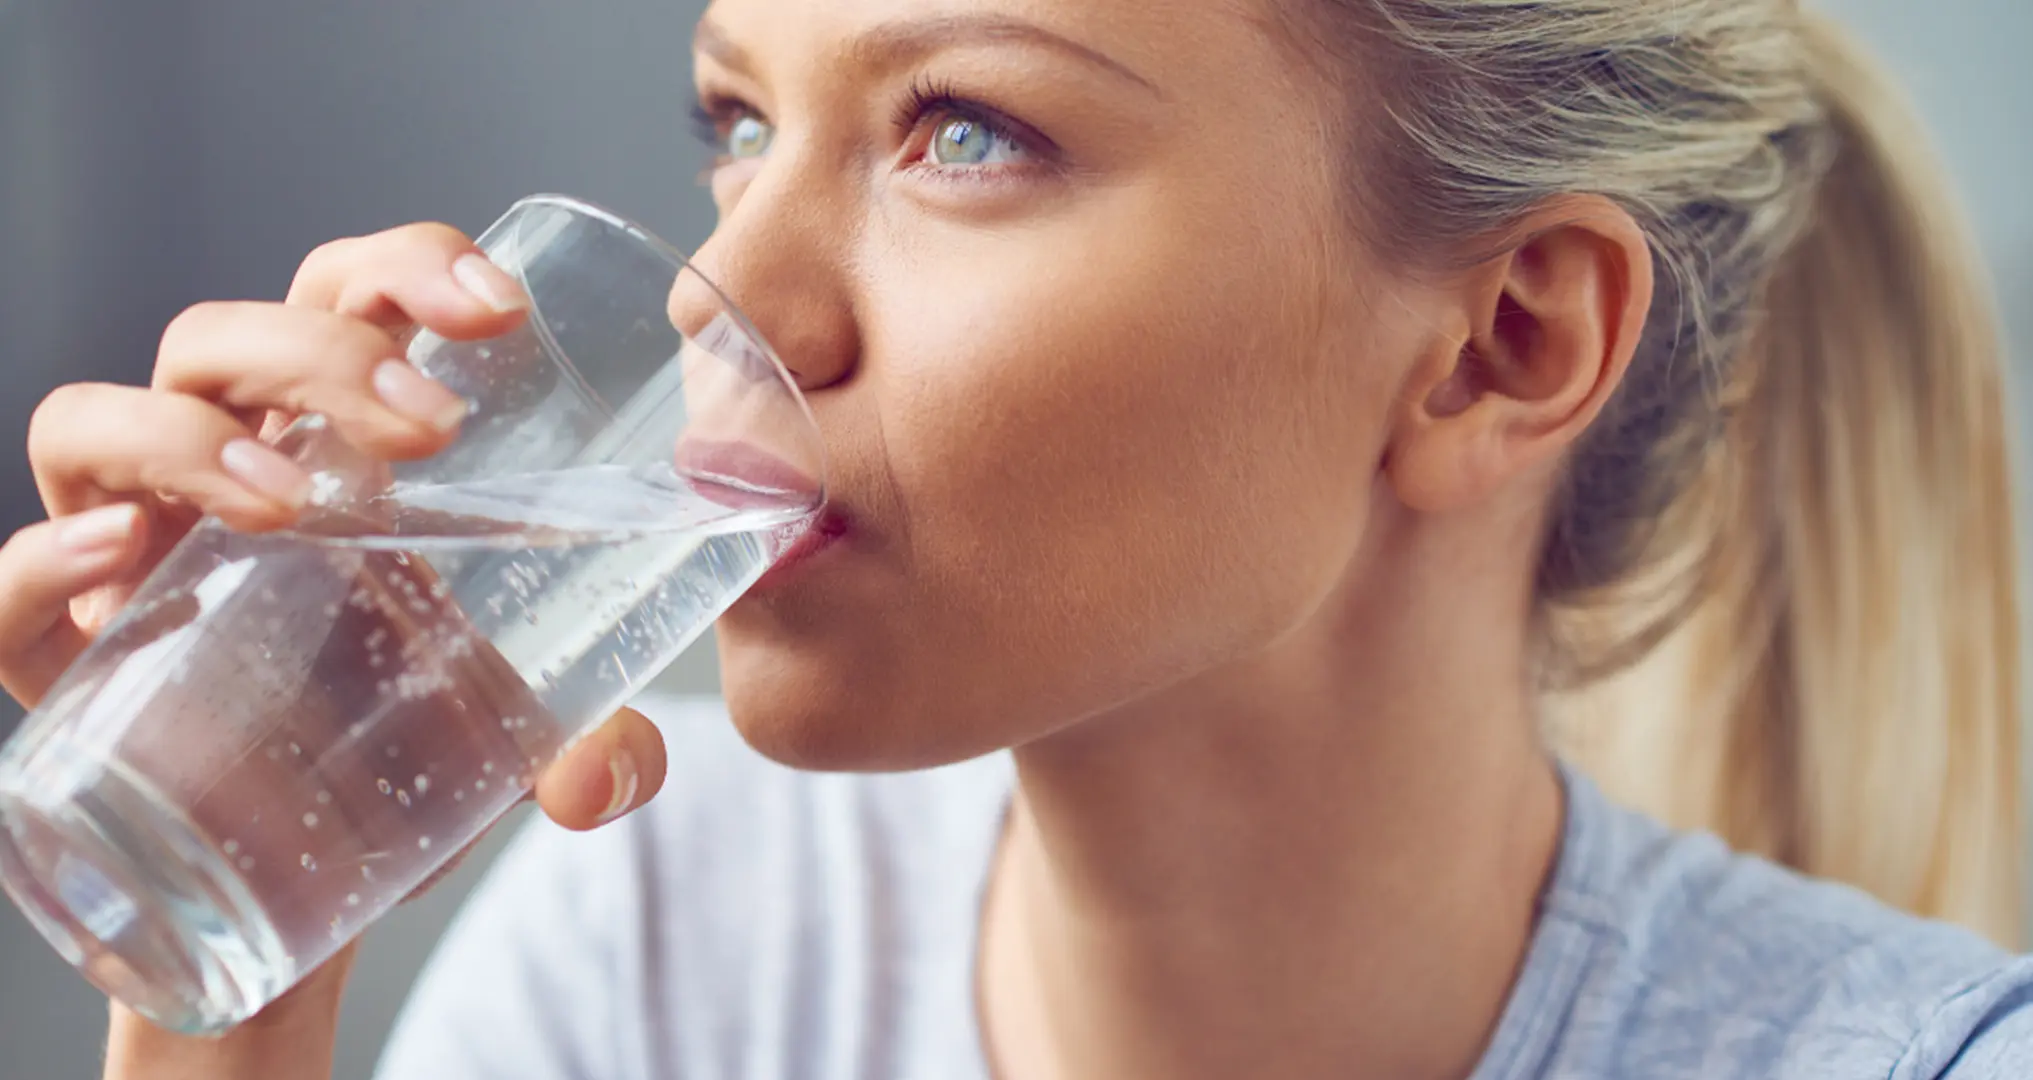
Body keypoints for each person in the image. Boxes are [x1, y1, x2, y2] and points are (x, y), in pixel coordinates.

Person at [1, 0, 2027, 1076]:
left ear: (1498, 346)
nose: (723, 296)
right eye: (736, 120)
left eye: (964, 131)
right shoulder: (674, 937)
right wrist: (236, 974)